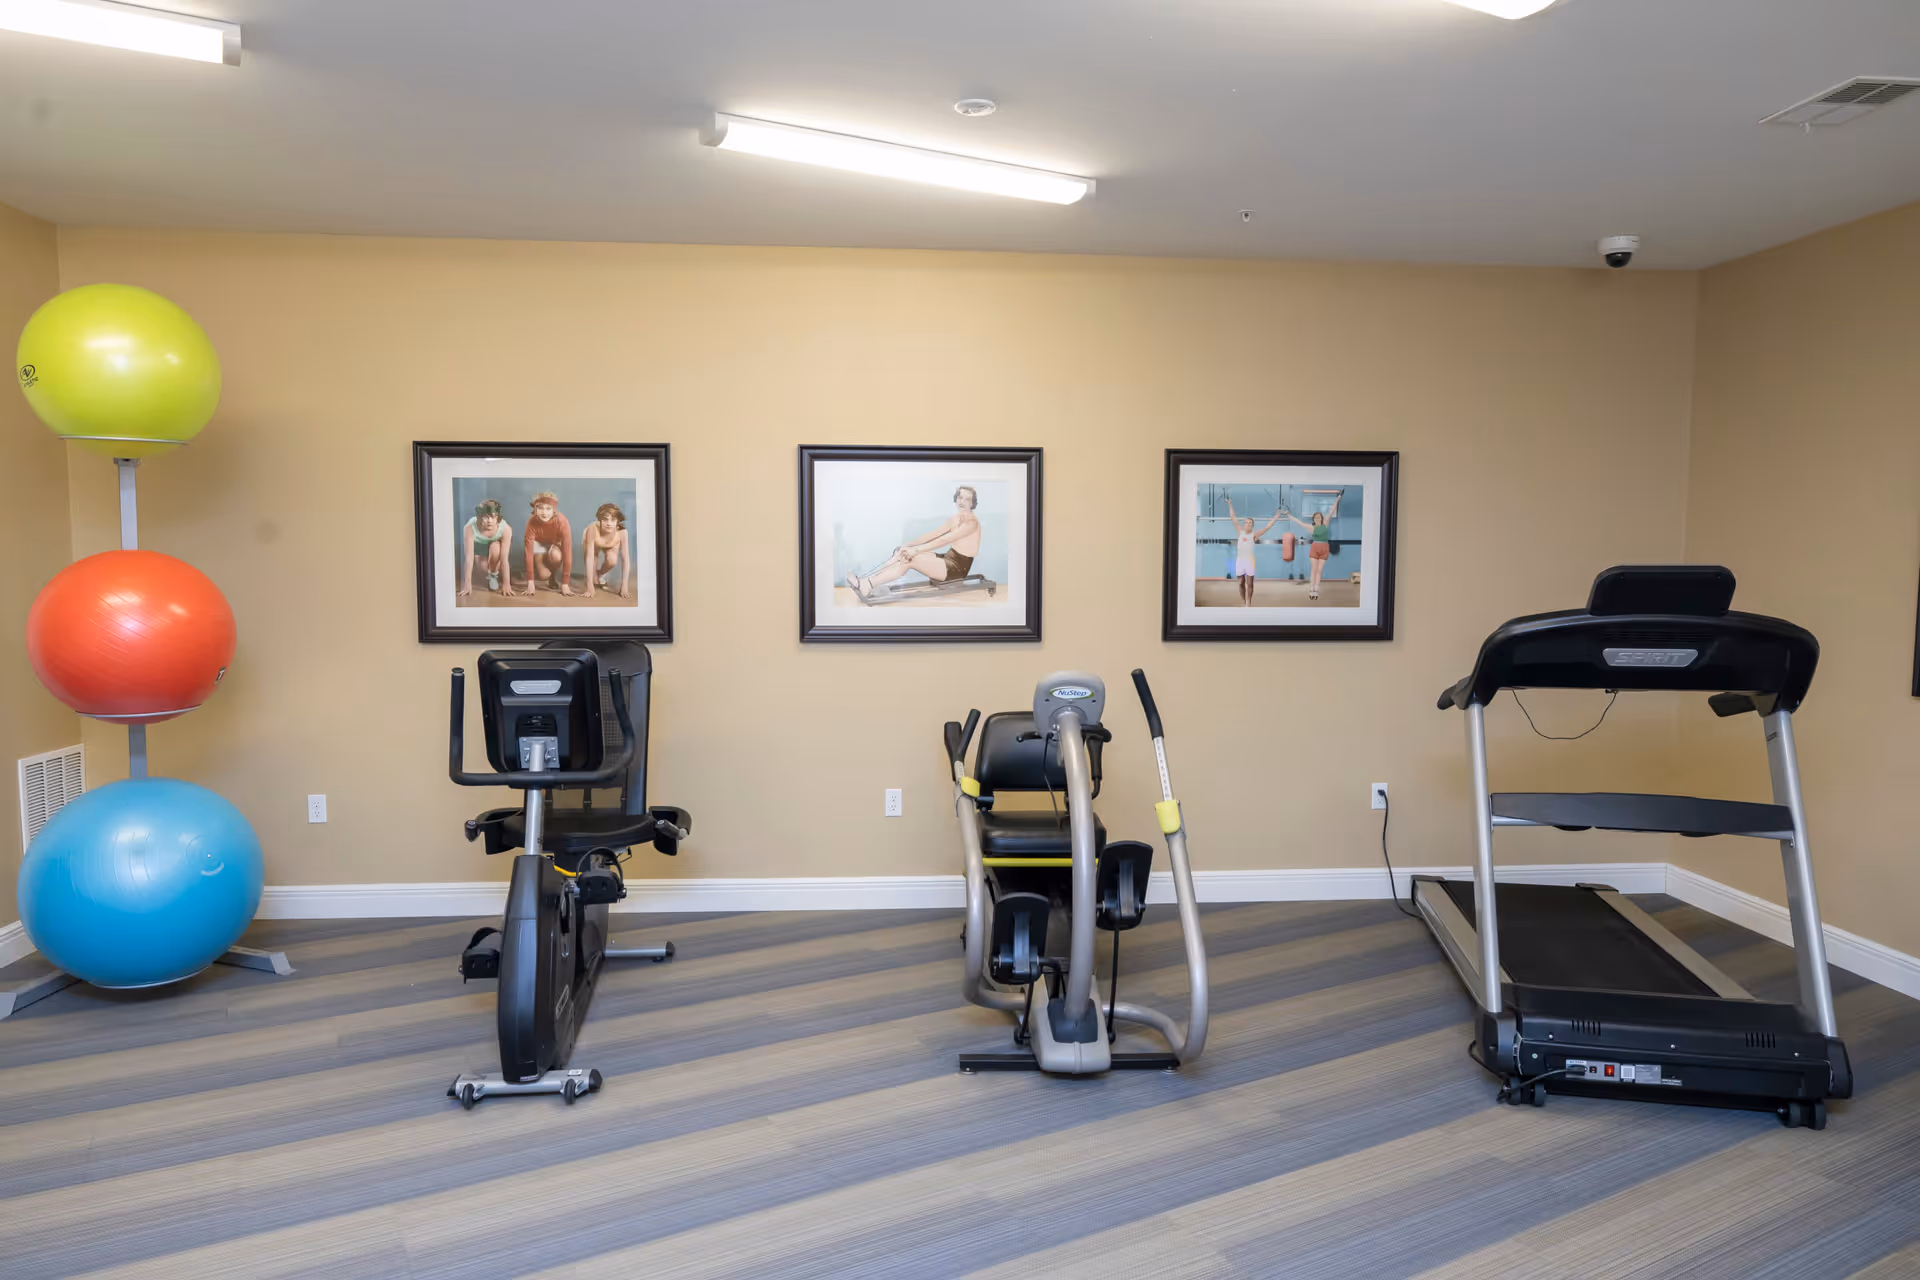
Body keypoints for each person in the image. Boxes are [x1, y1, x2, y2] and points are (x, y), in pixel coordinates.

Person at [848, 486, 982, 598]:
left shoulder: (971, 523)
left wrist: (916, 550)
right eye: (960, 497)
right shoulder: (957, 518)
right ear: (956, 498)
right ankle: (866, 581)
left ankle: (868, 585)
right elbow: (933, 535)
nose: (962, 501)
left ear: (972, 503)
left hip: (957, 568)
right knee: (903, 552)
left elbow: (944, 540)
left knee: (910, 558)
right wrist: (909, 545)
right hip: (949, 559)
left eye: (967, 499)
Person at [1225, 495, 1284, 607]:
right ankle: (1243, 600)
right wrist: (1229, 503)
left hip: (1250, 561)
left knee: (1250, 583)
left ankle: (1249, 602)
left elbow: (1268, 527)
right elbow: (1233, 517)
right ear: (1244, 524)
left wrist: (1276, 516)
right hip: (1240, 561)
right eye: (1246, 522)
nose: (1248, 524)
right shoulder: (1240, 531)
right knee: (1241, 583)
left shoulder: (1254, 535)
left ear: (1252, 526)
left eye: (1250, 523)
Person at [1285, 493, 1344, 600]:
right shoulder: (1311, 527)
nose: (1317, 518)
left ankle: (1316, 589)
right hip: (1315, 548)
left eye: (1319, 517)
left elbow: (1331, 510)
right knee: (1314, 569)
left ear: (1321, 518)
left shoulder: (1325, 523)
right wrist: (1289, 516)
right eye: (1316, 517)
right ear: (1314, 519)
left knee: (1319, 570)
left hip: (1324, 547)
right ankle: (1311, 588)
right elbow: (1299, 522)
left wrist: (1338, 498)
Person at [518, 492, 574, 596]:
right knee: (543, 576)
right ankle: (540, 568)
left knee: (556, 556)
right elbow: (528, 553)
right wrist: (530, 583)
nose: (544, 512)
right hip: (539, 546)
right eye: (540, 508)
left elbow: (567, 552)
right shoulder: (532, 522)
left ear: (554, 510)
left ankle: (553, 577)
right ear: (535, 509)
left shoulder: (562, 521)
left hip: (554, 544)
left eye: (548, 509)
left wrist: (565, 583)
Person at [457, 499, 515, 597]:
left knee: (495, 546)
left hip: (495, 549)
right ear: (480, 517)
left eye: (493, 517)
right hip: (479, 549)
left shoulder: (506, 529)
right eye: (486, 517)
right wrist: (467, 584)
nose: (490, 521)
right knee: (483, 570)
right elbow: (468, 558)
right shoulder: (470, 527)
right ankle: (481, 570)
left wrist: (506, 584)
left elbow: (504, 559)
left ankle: (493, 575)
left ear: (498, 517)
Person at [581, 502, 629, 599]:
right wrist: (589, 586)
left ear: (618, 521)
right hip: (595, 541)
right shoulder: (592, 529)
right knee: (593, 580)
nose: (609, 523)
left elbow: (625, 559)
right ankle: (594, 577)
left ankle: (600, 575)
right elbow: (589, 558)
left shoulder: (622, 533)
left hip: (611, 543)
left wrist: (624, 586)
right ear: (600, 520)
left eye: (613, 520)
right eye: (605, 519)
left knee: (612, 560)